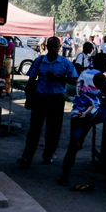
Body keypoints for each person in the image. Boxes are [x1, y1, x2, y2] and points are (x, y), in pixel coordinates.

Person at [57, 53, 106, 186]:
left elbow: (85, 91)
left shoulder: (85, 72)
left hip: (78, 114)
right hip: (93, 114)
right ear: (103, 64)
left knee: (73, 147)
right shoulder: (100, 77)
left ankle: (63, 177)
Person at [17, 37, 78, 167]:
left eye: (56, 47)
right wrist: (29, 98)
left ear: (60, 47)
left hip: (56, 99)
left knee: (54, 130)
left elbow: (75, 80)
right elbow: (31, 80)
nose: (53, 49)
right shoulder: (39, 61)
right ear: (46, 47)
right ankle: (27, 157)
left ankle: (48, 155)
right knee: (34, 129)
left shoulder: (65, 63)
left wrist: (59, 77)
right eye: (51, 46)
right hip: (40, 98)